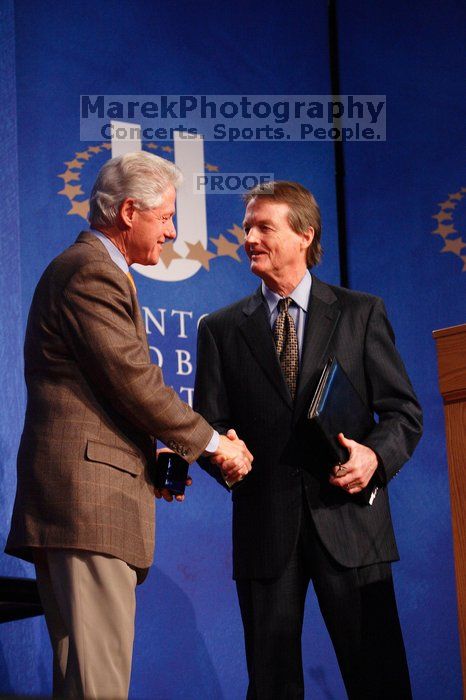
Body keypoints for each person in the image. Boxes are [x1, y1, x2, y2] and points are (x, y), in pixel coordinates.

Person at [5, 151, 252, 699]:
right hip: (88, 506)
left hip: (87, 504)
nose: (171, 230)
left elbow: (103, 392)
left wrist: (155, 455)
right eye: (165, 216)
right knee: (100, 687)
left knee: (84, 684)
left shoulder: (94, 271)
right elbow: (133, 380)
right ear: (129, 212)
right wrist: (213, 445)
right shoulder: (90, 271)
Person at [193, 181, 422, 699]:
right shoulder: (221, 329)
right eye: (247, 226)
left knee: (379, 681)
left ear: (304, 234)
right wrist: (222, 461)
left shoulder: (361, 313)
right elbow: (207, 428)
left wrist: (374, 458)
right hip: (265, 531)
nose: (249, 236)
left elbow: (404, 413)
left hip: (351, 525)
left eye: (264, 227)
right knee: (272, 688)